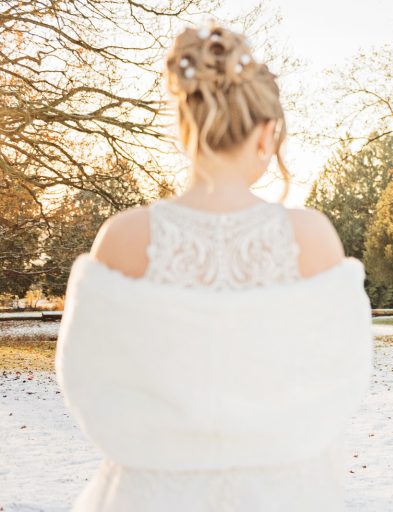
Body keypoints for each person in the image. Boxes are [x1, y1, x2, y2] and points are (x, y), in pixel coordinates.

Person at [55, 23, 372, 511]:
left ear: (184, 123)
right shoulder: (311, 238)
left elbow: (85, 383)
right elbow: (342, 381)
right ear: (267, 134)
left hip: (149, 495)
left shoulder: (123, 238)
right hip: (285, 493)